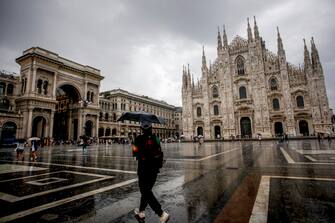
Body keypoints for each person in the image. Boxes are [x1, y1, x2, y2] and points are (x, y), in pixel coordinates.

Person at [132, 121, 170, 223]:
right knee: (147, 191)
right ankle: (141, 211)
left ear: (141, 129)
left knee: (145, 191)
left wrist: (139, 152)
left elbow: (135, 153)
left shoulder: (138, 139)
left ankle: (161, 213)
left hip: (143, 169)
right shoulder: (156, 138)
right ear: (151, 128)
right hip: (154, 169)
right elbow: (159, 151)